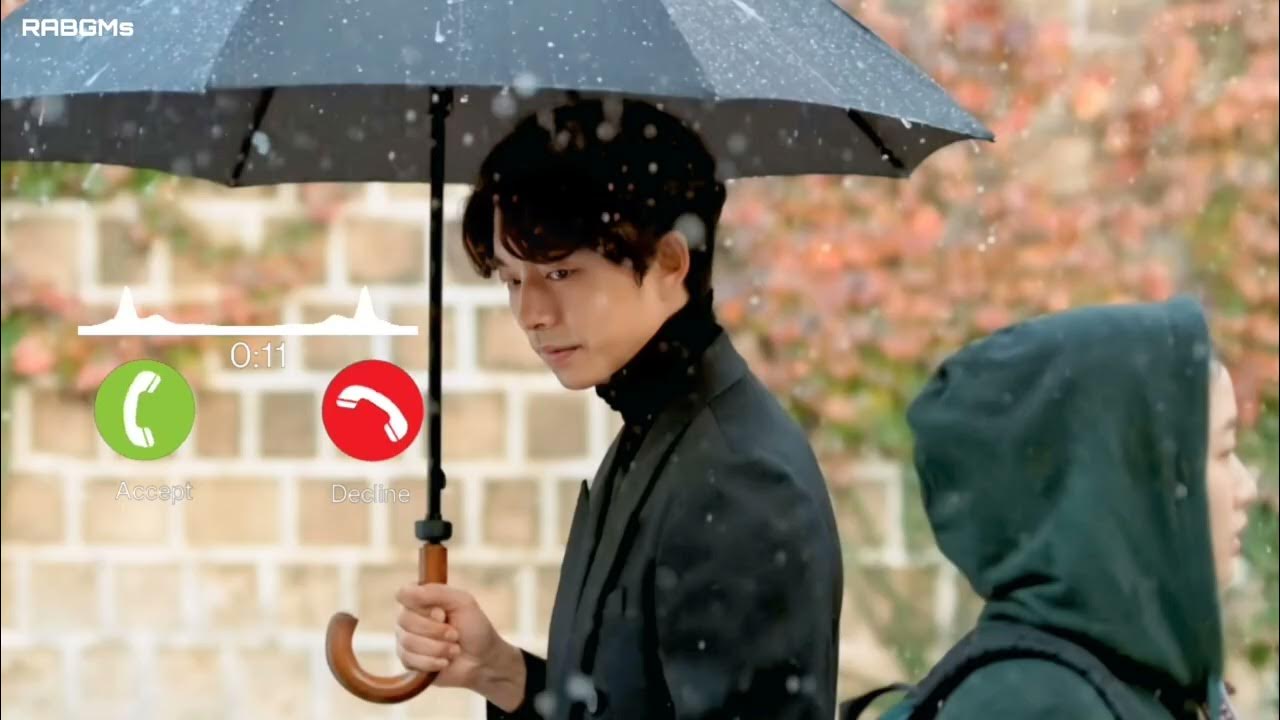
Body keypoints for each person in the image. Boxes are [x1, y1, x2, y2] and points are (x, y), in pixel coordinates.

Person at [393, 97, 844, 720]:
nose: (530, 314)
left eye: (560, 274)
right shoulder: (656, 431)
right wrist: (502, 672)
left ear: (669, 263)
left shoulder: (735, 476)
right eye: (512, 279)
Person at [871, 296, 1258, 719]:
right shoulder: (1036, 705)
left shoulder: (1131, 679)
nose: (1247, 488)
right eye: (1223, 452)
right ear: (1124, 482)